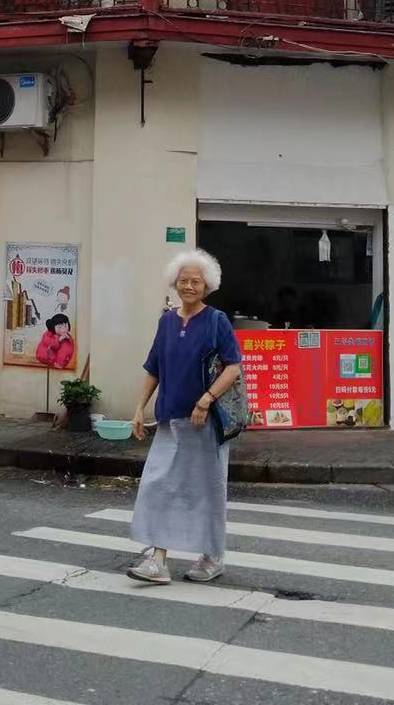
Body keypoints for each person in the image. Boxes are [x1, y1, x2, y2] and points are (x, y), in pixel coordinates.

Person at [126, 249, 243, 586]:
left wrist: (206, 400)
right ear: (174, 283)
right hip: (170, 420)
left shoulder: (217, 321)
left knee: (206, 490)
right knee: (159, 486)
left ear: (207, 286)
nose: (189, 286)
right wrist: (140, 407)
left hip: (205, 424)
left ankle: (212, 556)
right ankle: (157, 560)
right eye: (184, 280)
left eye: (196, 281)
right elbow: (154, 367)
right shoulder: (166, 322)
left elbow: (233, 367)